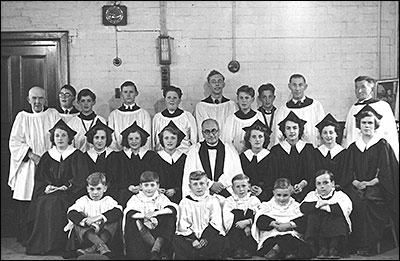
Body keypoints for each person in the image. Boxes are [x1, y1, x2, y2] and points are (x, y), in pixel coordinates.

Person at [25, 119, 89, 255]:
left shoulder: (77, 155)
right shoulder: (47, 156)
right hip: (50, 192)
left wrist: (67, 186)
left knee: (60, 202)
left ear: (69, 138)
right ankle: (46, 245)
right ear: (53, 138)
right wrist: (47, 187)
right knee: (44, 202)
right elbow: (40, 179)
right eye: (57, 135)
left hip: (71, 192)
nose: (60, 138)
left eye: (64, 135)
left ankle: (63, 246)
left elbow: (81, 177)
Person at [8, 86, 60, 245]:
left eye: (40, 98)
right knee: (27, 199)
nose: (37, 102)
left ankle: (46, 238)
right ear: (28, 100)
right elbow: (14, 142)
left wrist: (50, 157)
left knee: (48, 201)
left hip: (50, 163)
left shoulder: (53, 114)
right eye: (34, 98)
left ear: (45, 99)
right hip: (29, 164)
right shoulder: (22, 117)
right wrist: (31, 155)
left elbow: (61, 135)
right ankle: (27, 238)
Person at [344, 104, 399, 256]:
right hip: (356, 186)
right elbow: (348, 172)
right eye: (364, 123)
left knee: (368, 200)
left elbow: (386, 172)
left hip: (378, 187)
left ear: (375, 125)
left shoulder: (382, 145)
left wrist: (370, 183)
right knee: (352, 199)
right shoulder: (353, 148)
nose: (367, 126)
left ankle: (370, 245)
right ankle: (355, 243)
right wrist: (356, 182)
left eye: (370, 123)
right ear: (359, 126)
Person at [182, 118, 243, 201]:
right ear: (202, 134)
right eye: (207, 132)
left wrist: (221, 183)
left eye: (214, 131)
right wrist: (210, 184)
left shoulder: (229, 148)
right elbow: (190, 173)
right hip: (202, 193)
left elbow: (236, 172)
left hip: (226, 193)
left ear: (219, 132)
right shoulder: (194, 150)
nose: (211, 135)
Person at [65, 172, 123, 258]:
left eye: (98, 189)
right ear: (87, 189)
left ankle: (93, 248)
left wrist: (99, 217)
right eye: (92, 189)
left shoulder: (108, 200)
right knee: (78, 219)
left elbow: (118, 211)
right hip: (88, 234)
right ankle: (101, 246)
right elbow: (71, 212)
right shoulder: (83, 200)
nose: (95, 192)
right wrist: (86, 221)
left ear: (105, 188)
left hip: (104, 233)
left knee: (114, 219)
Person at [341, 75, 399, 161]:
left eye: (363, 87)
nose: (359, 90)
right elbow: (348, 135)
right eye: (356, 87)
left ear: (372, 89)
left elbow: (389, 132)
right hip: (357, 154)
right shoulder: (354, 108)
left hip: (377, 153)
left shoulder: (382, 106)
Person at [123, 171, 178, 260]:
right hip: (142, 231)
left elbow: (172, 208)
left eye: (152, 185)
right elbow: (129, 212)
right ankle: (158, 250)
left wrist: (155, 214)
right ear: (140, 186)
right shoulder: (136, 198)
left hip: (159, 230)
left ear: (158, 186)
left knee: (169, 217)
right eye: (146, 185)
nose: (149, 189)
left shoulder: (161, 197)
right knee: (134, 221)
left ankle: (155, 250)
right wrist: (145, 216)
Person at [251, 178, 310, 260]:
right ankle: (287, 251)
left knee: (289, 238)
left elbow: (303, 221)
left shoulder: (296, 206)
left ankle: (277, 249)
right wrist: (273, 224)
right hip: (272, 236)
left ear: (290, 193)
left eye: (285, 195)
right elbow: (260, 220)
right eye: (278, 195)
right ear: (273, 193)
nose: (282, 199)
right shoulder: (266, 205)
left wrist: (289, 225)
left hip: (291, 235)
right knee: (278, 240)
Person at [300, 170, 353, 259]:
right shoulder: (312, 195)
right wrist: (317, 205)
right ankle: (322, 248)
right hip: (317, 236)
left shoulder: (340, 195)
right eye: (319, 184)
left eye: (325, 183)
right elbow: (303, 208)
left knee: (335, 215)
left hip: (337, 236)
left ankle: (333, 248)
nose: (322, 186)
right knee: (314, 216)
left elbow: (345, 209)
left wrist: (322, 207)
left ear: (332, 183)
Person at [173, 170, 226, 260]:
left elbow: (216, 222)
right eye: (195, 184)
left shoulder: (213, 200)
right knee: (176, 240)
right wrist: (193, 240)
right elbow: (183, 224)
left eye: (202, 183)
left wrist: (205, 239)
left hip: (208, 238)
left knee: (222, 240)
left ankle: (204, 255)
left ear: (207, 184)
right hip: (190, 239)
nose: (199, 187)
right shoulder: (185, 202)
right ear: (190, 186)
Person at [269, 111, 317, 202]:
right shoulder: (276, 150)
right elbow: (273, 175)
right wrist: (287, 186)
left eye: (295, 128)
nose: (291, 131)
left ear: (300, 130)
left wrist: (302, 184)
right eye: (288, 128)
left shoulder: (308, 149)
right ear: (284, 130)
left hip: (306, 191)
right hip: (283, 193)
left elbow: (312, 173)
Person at [111, 121, 158, 207]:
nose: (134, 141)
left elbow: (154, 177)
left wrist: (141, 187)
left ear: (142, 139)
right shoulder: (119, 157)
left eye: (137, 138)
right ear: (126, 140)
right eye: (130, 139)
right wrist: (128, 187)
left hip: (146, 191)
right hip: (125, 193)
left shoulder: (150, 156)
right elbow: (116, 179)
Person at [272, 73, 325, 148]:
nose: (297, 89)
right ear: (289, 86)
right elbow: (278, 135)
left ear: (305, 86)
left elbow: (323, 130)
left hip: (313, 151)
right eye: (294, 85)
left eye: (300, 85)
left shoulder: (316, 106)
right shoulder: (283, 110)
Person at [222, 174, 261, 259]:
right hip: (235, 227)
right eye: (238, 187)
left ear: (249, 186)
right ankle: (237, 249)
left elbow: (259, 215)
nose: (241, 189)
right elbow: (227, 218)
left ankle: (247, 249)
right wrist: (242, 225)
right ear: (233, 188)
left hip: (250, 228)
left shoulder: (253, 199)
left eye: (244, 186)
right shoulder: (229, 201)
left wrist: (247, 223)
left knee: (250, 212)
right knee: (236, 213)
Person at [194, 70, 238, 141]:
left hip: (228, 145)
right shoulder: (201, 106)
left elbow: (235, 128)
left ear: (224, 84)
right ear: (209, 85)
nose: (217, 84)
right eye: (213, 82)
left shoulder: (232, 105)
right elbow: (200, 130)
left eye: (219, 81)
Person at [108, 80, 152, 151]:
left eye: (131, 92)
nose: (128, 95)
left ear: (136, 93)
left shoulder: (144, 114)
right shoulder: (113, 115)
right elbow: (112, 138)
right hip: (119, 155)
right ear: (121, 94)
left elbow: (147, 138)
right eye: (125, 92)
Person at [152, 85, 197, 154]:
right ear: (165, 99)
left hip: (184, 156)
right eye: (169, 97)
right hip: (162, 157)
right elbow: (154, 141)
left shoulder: (187, 116)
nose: (171, 100)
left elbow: (194, 140)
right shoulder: (157, 118)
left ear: (179, 100)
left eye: (175, 98)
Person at [222, 85, 266, 153]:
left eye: (247, 98)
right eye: (241, 98)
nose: (244, 101)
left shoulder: (258, 116)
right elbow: (227, 142)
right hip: (236, 156)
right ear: (237, 99)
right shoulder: (231, 119)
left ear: (252, 99)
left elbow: (262, 137)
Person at [240, 119, 274, 202]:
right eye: (254, 137)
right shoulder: (242, 157)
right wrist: (248, 187)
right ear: (248, 139)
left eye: (260, 136)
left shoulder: (272, 157)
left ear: (265, 139)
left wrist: (261, 191)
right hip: (245, 195)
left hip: (267, 197)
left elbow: (273, 180)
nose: (257, 140)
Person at [154, 120, 187, 204]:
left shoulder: (183, 158)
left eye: (173, 138)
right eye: (166, 138)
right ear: (162, 140)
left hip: (180, 197)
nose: (169, 141)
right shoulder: (155, 158)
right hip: (159, 198)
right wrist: (157, 189)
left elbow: (186, 180)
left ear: (178, 140)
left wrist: (176, 190)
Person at [84, 119, 117, 199]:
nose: (99, 141)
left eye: (103, 138)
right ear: (92, 139)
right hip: (90, 194)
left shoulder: (115, 156)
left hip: (110, 194)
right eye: (96, 137)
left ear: (107, 139)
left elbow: (116, 180)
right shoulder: (85, 157)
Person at [314, 113, 349, 187]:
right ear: (321, 135)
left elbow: (346, 176)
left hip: (339, 190)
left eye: (331, 132)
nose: (328, 136)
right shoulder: (316, 153)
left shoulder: (344, 153)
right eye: (325, 133)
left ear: (336, 134)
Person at [68, 88, 106, 153]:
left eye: (88, 101)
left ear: (94, 102)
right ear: (78, 103)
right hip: (78, 159)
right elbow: (70, 146)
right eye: (83, 101)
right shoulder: (72, 123)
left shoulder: (101, 121)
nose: (86, 104)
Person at [257, 83, 277, 149]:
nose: (267, 100)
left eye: (270, 96)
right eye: (264, 97)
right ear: (259, 98)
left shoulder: (279, 113)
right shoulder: (256, 115)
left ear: (274, 98)